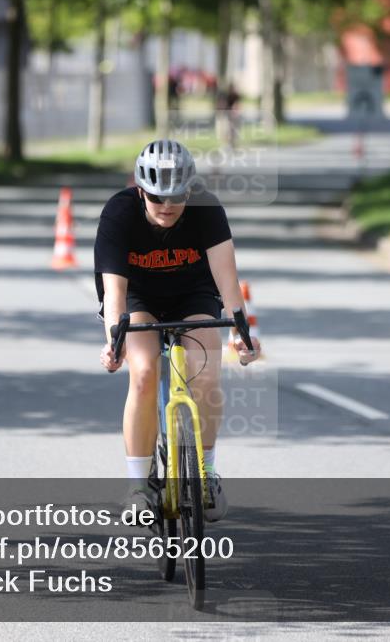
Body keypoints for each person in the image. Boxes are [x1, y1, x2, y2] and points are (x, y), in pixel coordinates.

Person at [94, 139, 260, 523]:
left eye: (177, 196)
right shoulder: (119, 213)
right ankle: (137, 487)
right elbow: (115, 292)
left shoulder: (207, 210)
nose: (167, 205)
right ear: (140, 189)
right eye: (156, 196)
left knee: (206, 373)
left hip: (193, 294)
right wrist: (114, 343)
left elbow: (228, 283)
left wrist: (241, 334)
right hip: (138, 297)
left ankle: (206, 474)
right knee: (144, 371)